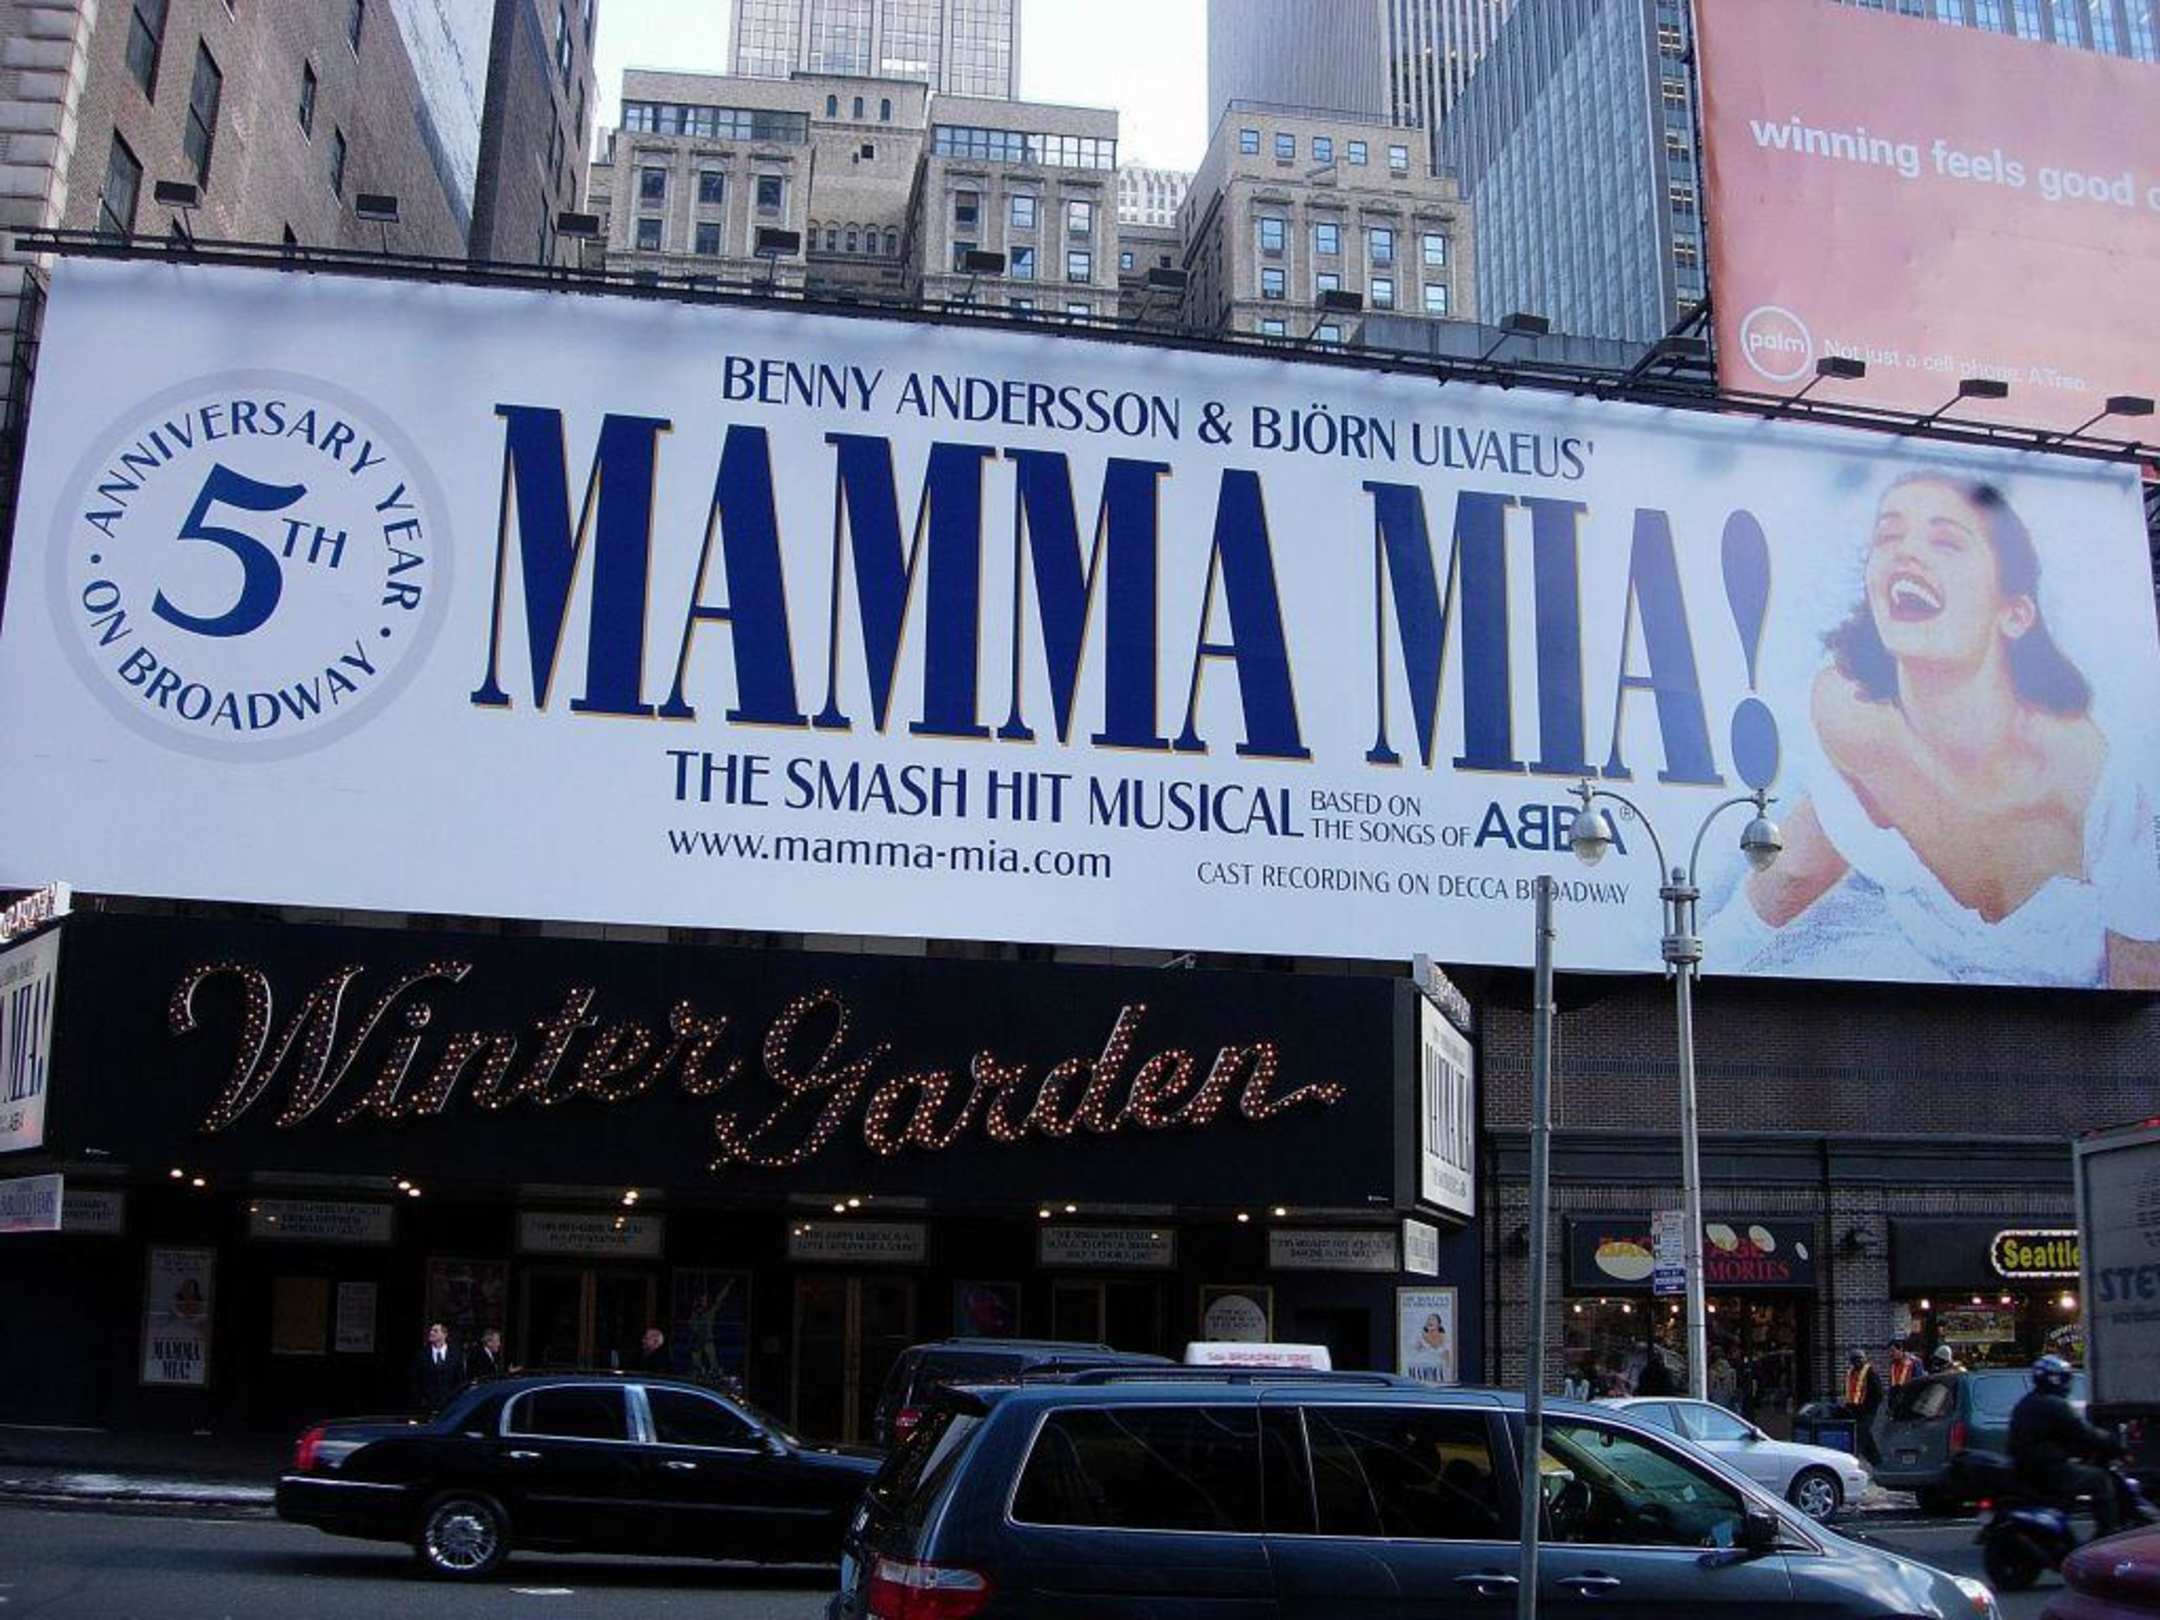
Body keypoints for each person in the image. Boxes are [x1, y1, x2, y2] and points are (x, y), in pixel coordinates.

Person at [1706, 473, 2160, 988]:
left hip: (2067, 1037)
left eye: (1946, 541)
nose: (1906, 553)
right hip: (1919, 1020)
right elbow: (1795, 871)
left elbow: (2140, 995)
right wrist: (1683, 965)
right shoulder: (1849, 714)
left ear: (2014, 614)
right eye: (1888, 536)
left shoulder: (2101, 778)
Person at [2010, 1354, 2121, 1540]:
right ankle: (2108, 1534)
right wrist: (2113, 1443)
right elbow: (2083, 1432)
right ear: (2056, 1379)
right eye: (2065, 1378)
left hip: (2030, 1468)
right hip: (2048, 1470)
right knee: (2100, 1480)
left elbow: (2061, 1434)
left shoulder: (2027, 1403)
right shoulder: (2054, 1405)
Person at [1845, 1349, 1885, 1462]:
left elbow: (1878, 1394)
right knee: (1865, 1436)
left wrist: (1868, 1408)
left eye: (1860, 1360)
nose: (1857, 1363)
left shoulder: (1870, 1373)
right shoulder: (1851, 1373)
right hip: (1854, 1410)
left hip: (1867, 1411)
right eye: (1855, 1360)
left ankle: (1854, 1460)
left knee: (1861, 1435)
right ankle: (1876, 1461)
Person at [411, 1322, 460, 1412]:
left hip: (450, 1405)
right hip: (427, 1406)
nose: (431, 1333)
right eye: (431, 1330)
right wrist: (420, 1400)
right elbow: (416, 1379)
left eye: (435, 1331)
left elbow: (460, 1379)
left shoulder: (456, 1354)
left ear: (444, 1335)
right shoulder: (422, 1355)